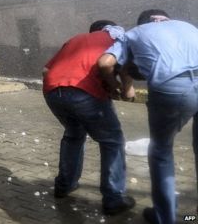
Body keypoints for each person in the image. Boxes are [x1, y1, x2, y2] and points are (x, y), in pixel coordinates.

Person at [98, 9, 198, 224]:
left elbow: (105, 63)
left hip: (173, 89)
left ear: (144, 23)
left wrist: (115, 85)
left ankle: (164, 218)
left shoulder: (134, 33)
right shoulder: (187, 26)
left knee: (161, 152)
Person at [43, 20, 135, 215]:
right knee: (112, 141)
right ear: (110, 28)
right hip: (84, 92)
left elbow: (46, 70)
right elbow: (116, 67)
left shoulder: (76, 39)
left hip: (52, 90)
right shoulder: (118, 38)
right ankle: (113, 199)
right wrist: (121, 87)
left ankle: (64, 185)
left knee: (74, 135)